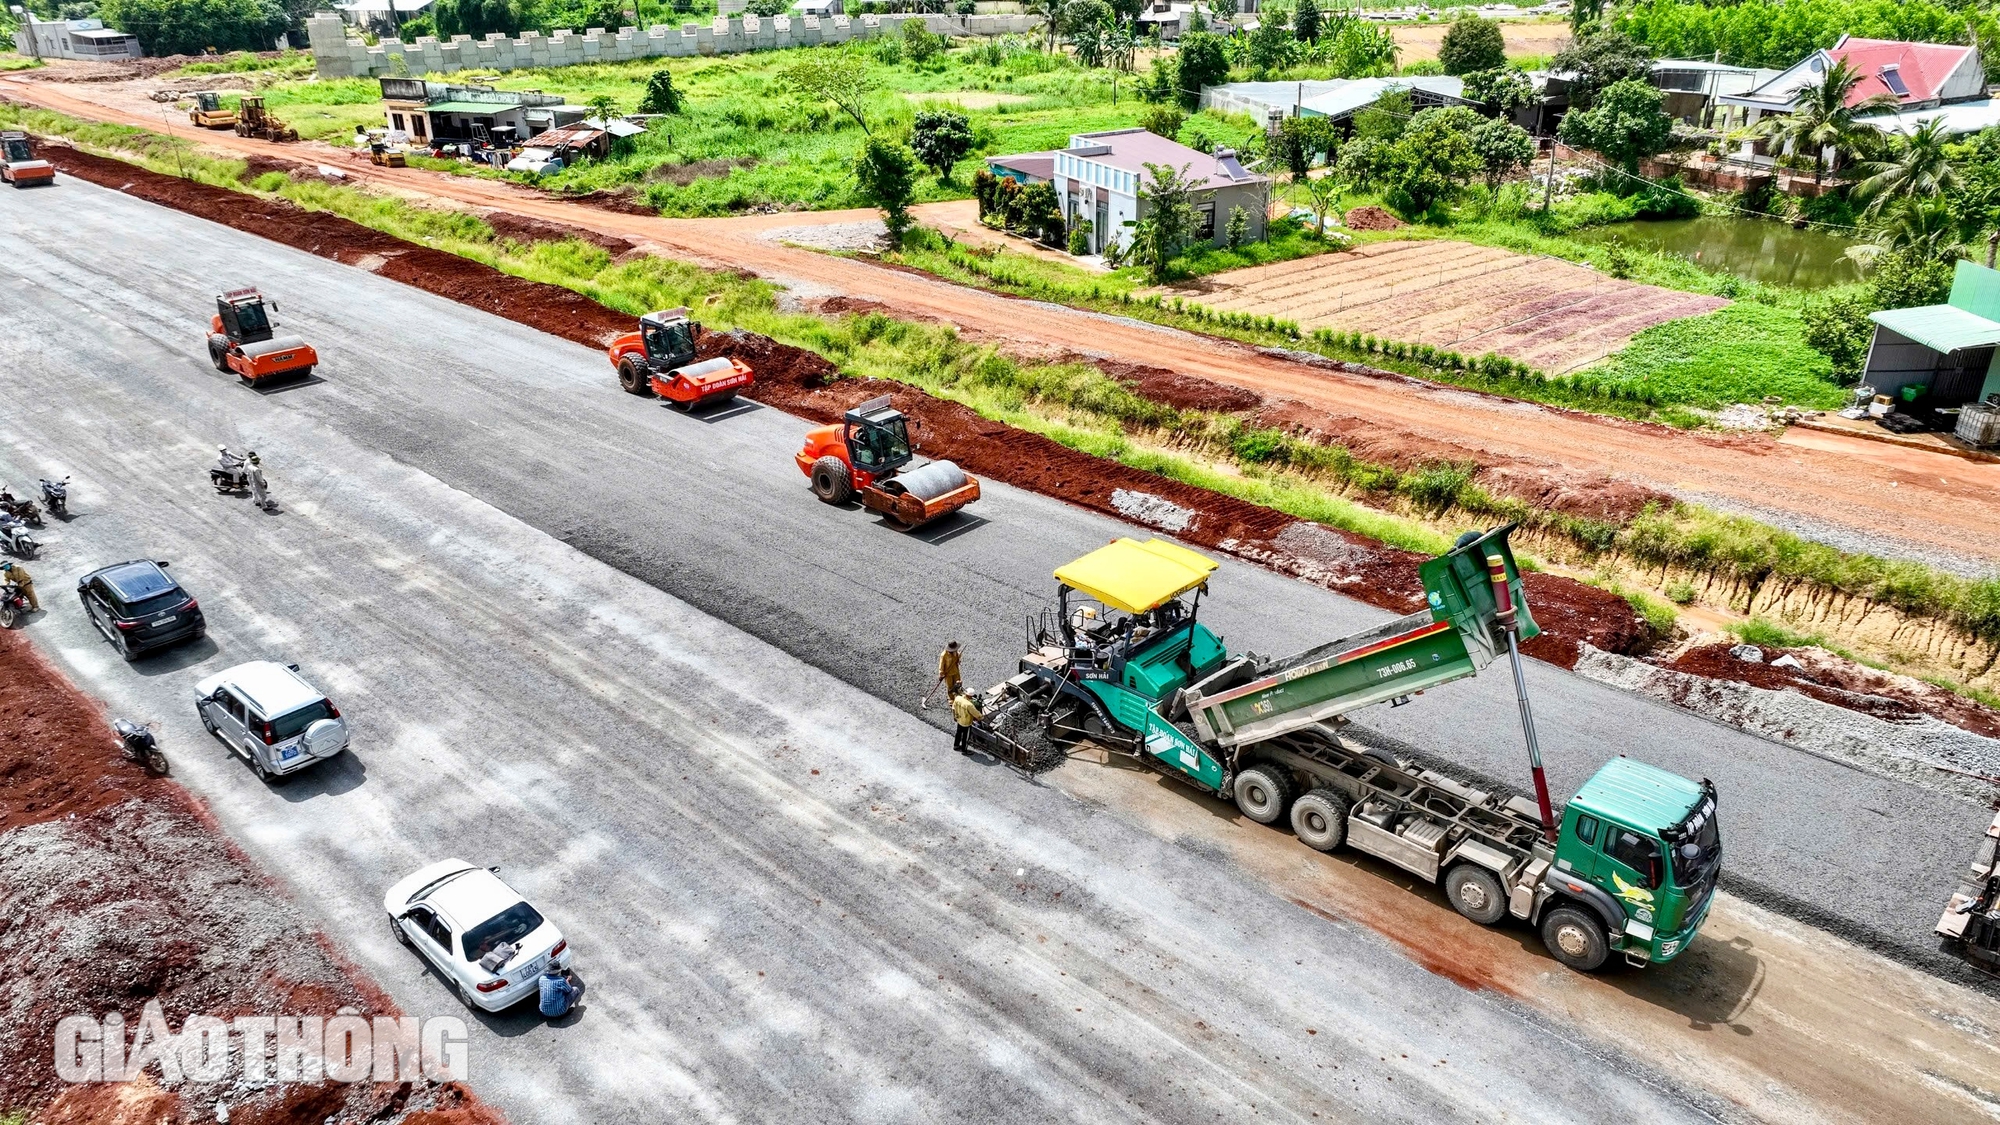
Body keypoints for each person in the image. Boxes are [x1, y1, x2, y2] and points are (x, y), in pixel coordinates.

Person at [950, 691, 982, 756]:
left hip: (959, 720)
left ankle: (956, 745)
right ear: (970, 696)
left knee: (958, 733)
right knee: (966, 737)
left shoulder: (958, 698)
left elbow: (953, 708)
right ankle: (964, 750)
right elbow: (977, 715)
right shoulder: (969, 705)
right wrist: (981, 717)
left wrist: (954, 717)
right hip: (966, 723)